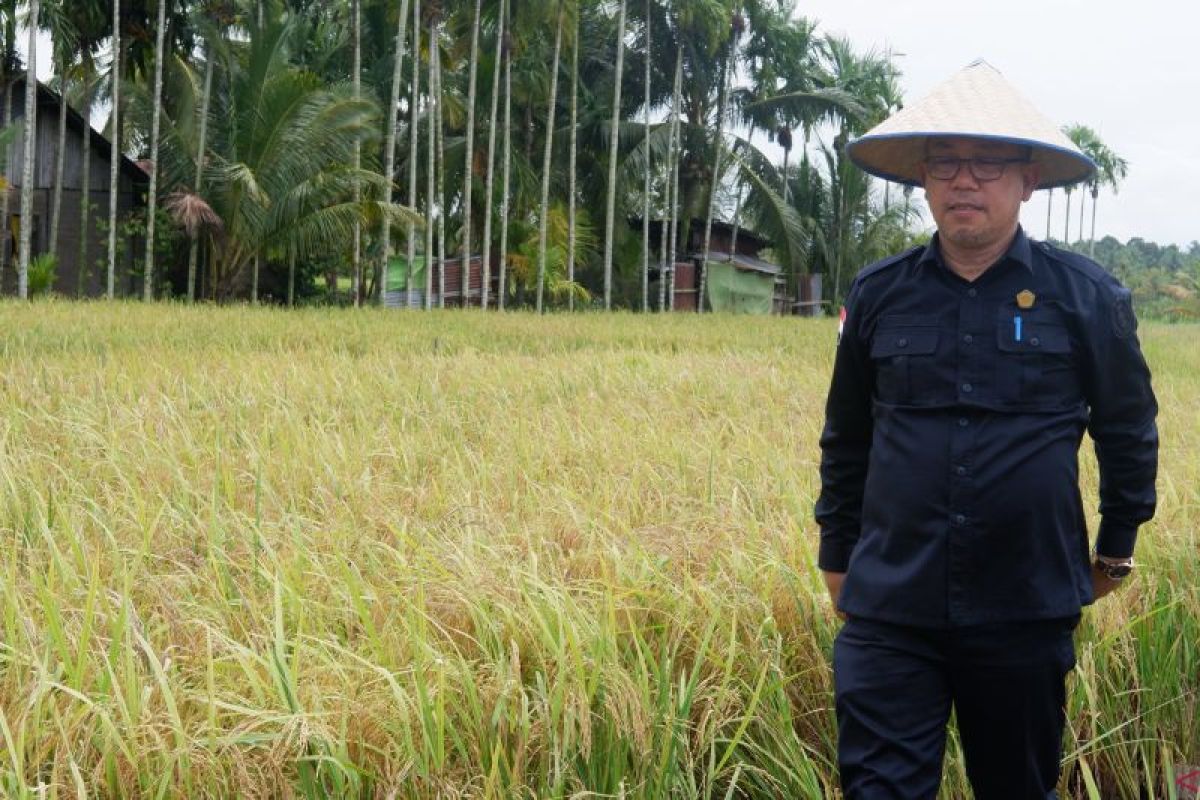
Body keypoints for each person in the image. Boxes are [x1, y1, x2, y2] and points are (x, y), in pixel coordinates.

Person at [814, 60, 1158, 799]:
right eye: (945, 164)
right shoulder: (879, 294)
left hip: (1025, 605)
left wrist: (1117, 549)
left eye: (988, 164)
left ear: (1027, 180)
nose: (964, 181)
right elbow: (846, 437)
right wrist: (837, 554)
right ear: (924, 179)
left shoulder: (1087, 297)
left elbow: (1128, 430)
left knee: (1017, 787)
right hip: (890, 605)